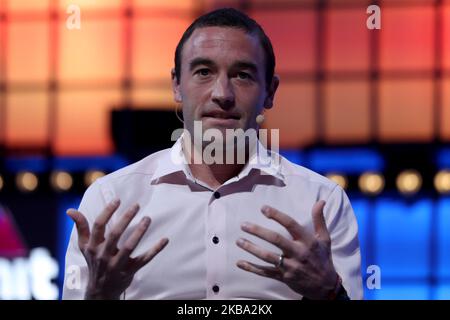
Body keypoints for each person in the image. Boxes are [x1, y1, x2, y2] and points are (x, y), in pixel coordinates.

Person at [62, 7, 363, 300]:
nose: (222, 94)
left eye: (242, 75)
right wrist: (99, 295)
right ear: (177, 86)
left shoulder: (322, 202)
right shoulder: (111, 199)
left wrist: (329, 293)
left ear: (270, 92)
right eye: (204, 72)